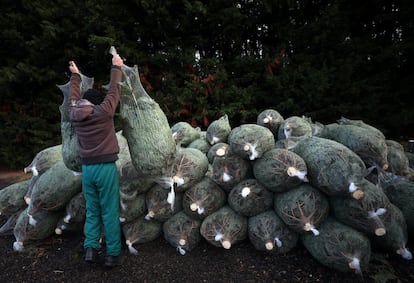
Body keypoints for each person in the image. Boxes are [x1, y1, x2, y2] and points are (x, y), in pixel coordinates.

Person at [68, 53, 123, 268]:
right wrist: (116, 66)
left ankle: (91, 248)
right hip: (105, 168)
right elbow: (114, 91)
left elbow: (73, 97)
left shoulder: (74, 114)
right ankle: (112, 254)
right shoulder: (103, 112)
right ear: (97, 103)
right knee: (109, 210)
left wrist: (75, 77)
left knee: (93, 209)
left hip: (88, 170)